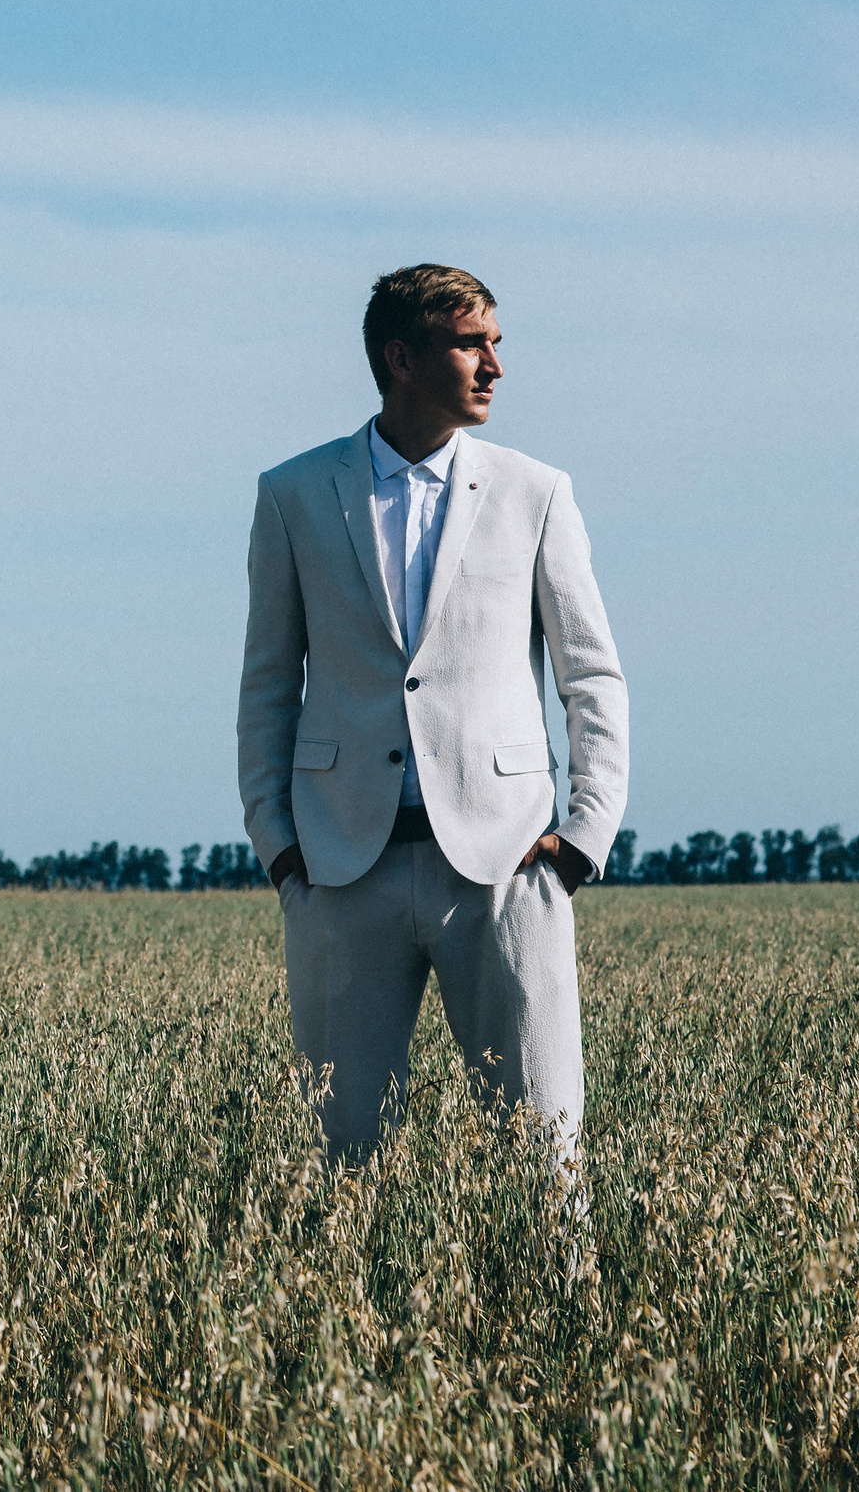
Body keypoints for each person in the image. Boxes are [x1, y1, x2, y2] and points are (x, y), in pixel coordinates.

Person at [238, 265, 628, 1172]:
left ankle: (551, 1312)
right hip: (341, 869)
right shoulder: (293, 494)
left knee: (545, 1161)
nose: (494, 366)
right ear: (400, 358)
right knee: (345, 1163)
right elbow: (266, 682)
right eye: (471, 344)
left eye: (495, 343)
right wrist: (280, 847)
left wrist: (583, 836)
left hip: (508, 866)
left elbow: (592, 674)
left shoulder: (537, 492)